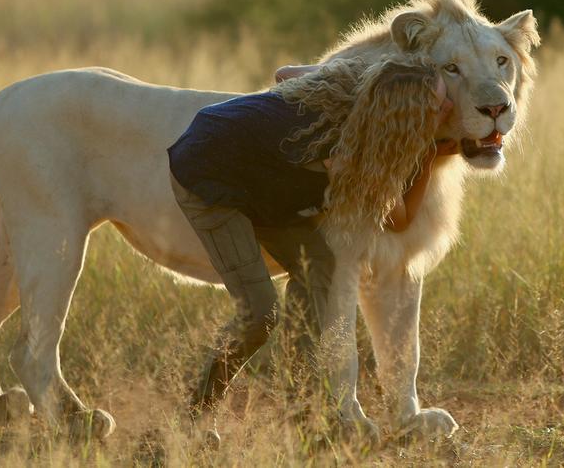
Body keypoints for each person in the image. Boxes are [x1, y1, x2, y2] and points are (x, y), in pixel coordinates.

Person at [166, 55, 459, 431]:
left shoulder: (362, 88)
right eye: (438, 104)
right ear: (405, 116)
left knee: (324, 264)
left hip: (261, 181)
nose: (449, 106)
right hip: (207, 172)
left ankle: (305, 408)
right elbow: (399, 219)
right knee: (260, 313)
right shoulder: (351, 153)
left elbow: (286, 74)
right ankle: (191, 420)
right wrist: (428, 154)